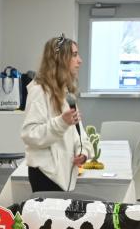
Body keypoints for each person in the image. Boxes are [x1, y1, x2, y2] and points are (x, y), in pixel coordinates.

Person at [21, 33, 93, 192]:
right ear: (60, 60)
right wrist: (62, 122)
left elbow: (78, 134)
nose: (79, 60)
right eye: (74, 55)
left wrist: (83, 152)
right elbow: (29, 134)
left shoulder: (66, 93)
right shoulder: (39, 91)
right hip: (46, 176)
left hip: (63, 176)